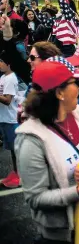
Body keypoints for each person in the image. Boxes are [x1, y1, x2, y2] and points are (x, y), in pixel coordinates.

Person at [15, 57, 79, 243]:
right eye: (74, 82)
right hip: (63, 235)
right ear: (59, 93)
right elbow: (36, 198)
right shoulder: (30, 137)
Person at [0, 51, 22, 188]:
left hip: (11, 120)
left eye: (1, 61)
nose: (0, 64)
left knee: (16, 150)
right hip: (4, 119)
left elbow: (8, 100)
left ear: (8, 64)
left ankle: (20, 176)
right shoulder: (3, 77)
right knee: (12, 151)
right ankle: (15, 173)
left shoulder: (10, 78)